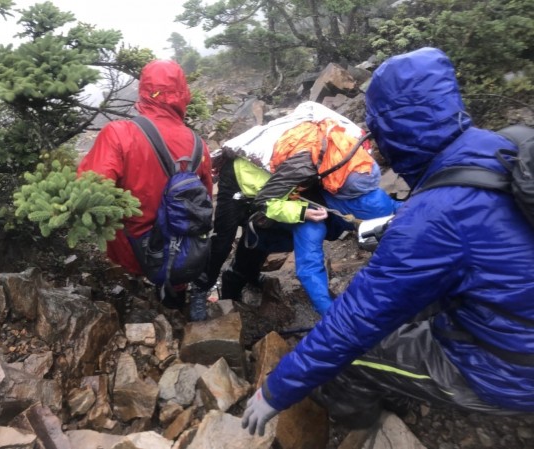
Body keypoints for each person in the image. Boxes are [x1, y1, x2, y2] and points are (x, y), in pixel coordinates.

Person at [241, 47, 534, 437]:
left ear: (391, 129)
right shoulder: (500, 146)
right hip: (516, 320)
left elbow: (356, 321)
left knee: (350, 358)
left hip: (509, 369)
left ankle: (365, 430)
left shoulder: (433, 216)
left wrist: (276, 389)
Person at [192, 101, 400, 315]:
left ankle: (248, 274)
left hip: (275, 179)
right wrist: (301, 212)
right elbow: (266, 201)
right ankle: (202, 289)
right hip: (240, 177)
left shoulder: (350, 148)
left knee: (261, 229)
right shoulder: (303, 168)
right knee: (224, 239)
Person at [77, 60, 213, 321]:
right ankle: (175, 301)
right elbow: (204, 202)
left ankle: (138, 304)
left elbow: (90, 191)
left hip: (132, 249)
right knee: (174, 280)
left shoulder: (119, 133)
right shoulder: (199, 144)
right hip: (183, 248)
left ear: (143, 92)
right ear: (184, 94)